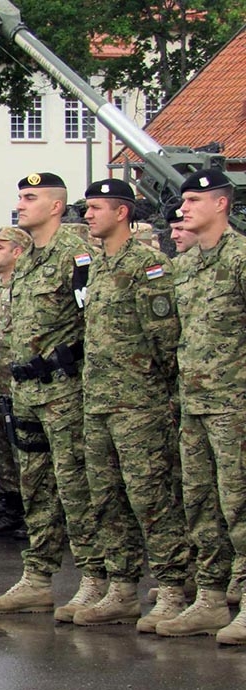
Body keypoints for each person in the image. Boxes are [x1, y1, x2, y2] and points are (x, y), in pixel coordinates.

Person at [0, 172, 105, 622]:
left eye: (30, 197)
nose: (21, 204)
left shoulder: (77, 255)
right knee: (36, 489)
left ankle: (94, 579)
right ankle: (37, 579)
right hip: (26, 392)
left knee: (75, 488)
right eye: (19, 196)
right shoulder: (30, 258)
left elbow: (95, 322)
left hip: (64, 391)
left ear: (56, 206)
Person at [70, 178, 189, 630]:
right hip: (99, 400)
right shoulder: (98, 265)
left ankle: (173, 587)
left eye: (97, 208)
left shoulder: (148, 265)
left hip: (139, 403)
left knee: (150, 498)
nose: (88, 215)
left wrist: (150, 389)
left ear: (122, 212)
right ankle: (121, 587)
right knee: (107, 497)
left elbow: (164, 338)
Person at [161, 168, 246, 644]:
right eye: (183, 200)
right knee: (200, 503)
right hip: (193, 403)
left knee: (240, 502)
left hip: (235, 404)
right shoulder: (187, 265)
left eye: (193, 200)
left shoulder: (240, 258)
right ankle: (211, 598)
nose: (183, 208)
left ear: (220, 204)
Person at [0, 227, 30, 537]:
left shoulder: (24, 287)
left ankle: (30, 511)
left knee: (21, 447)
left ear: (18, 252)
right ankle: (13, 505)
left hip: (17, 383)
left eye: (0, 247)